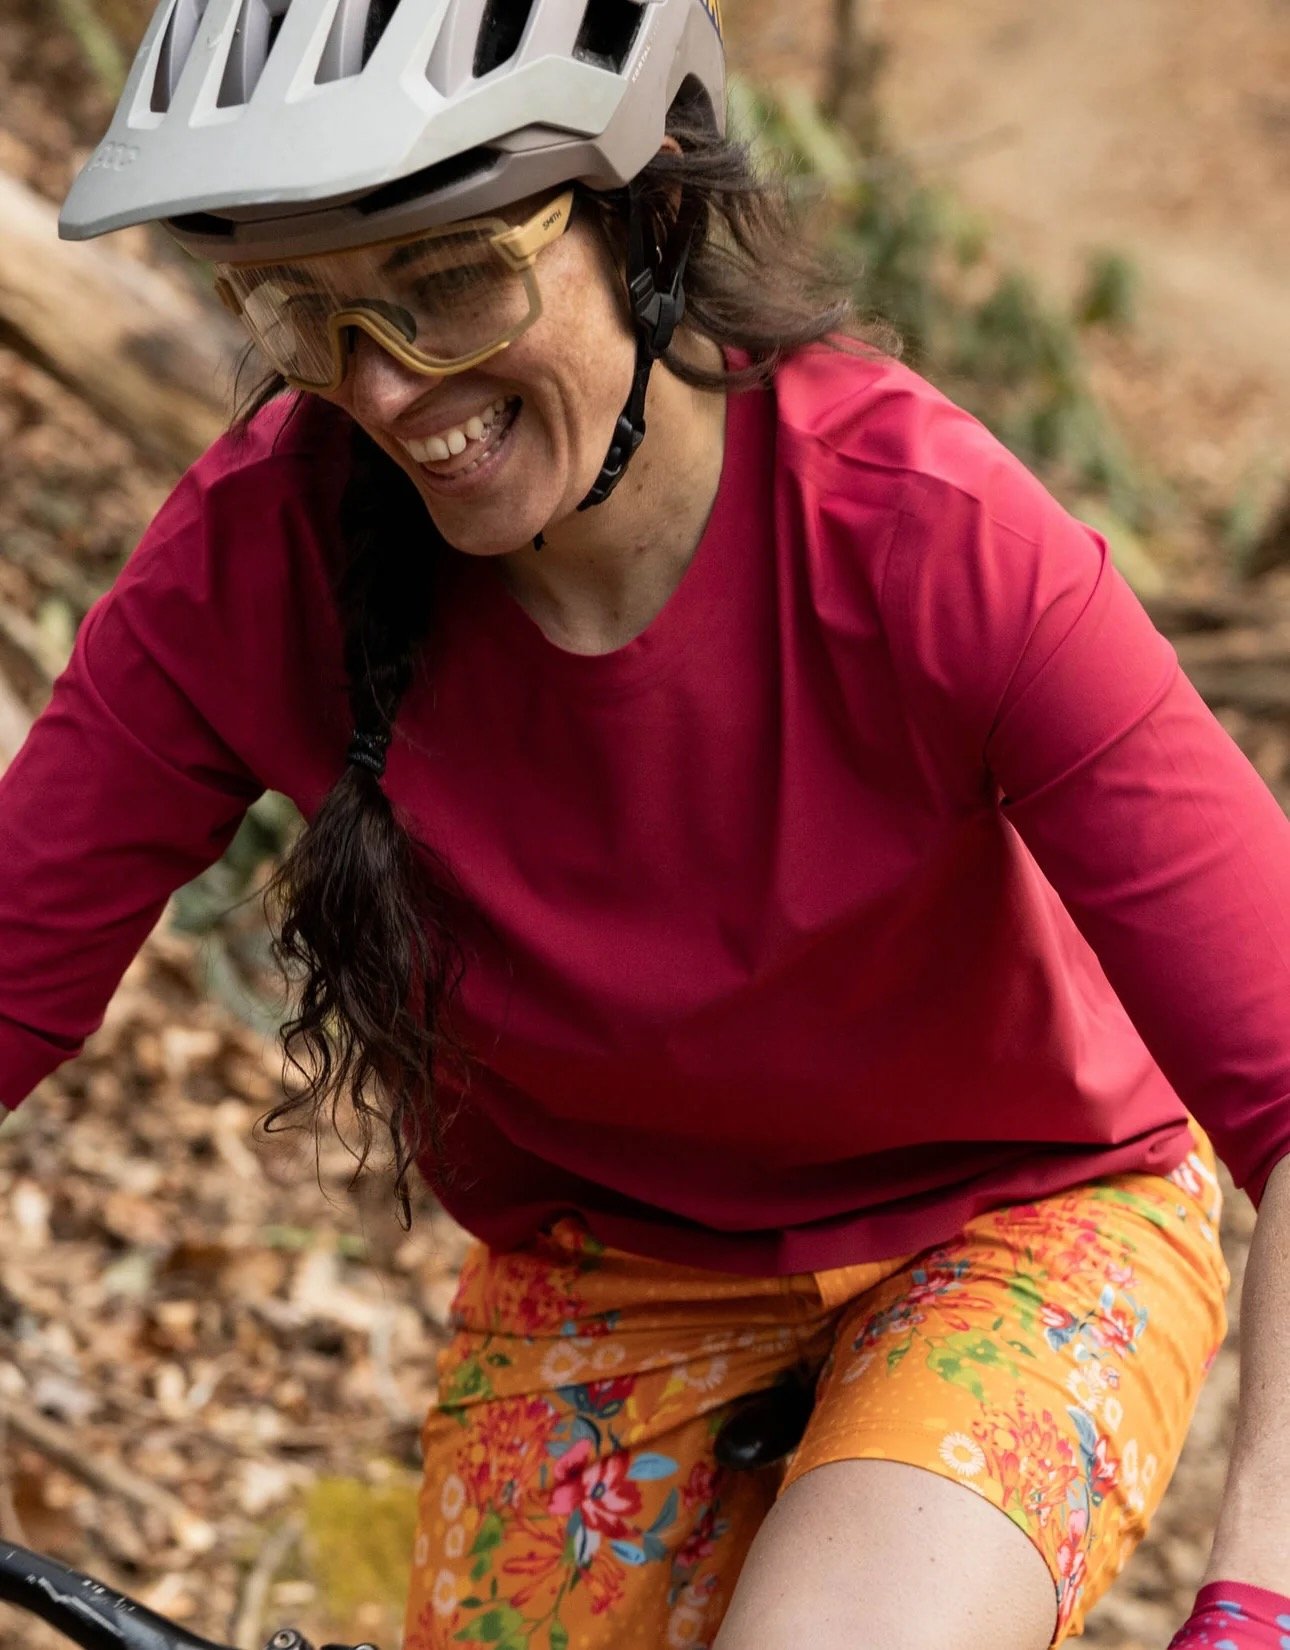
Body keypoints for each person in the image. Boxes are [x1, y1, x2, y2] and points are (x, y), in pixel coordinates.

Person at [3, 1, 1290, 1647]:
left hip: (1015, 1209)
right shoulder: (256, 556)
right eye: (304, 313)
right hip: (604, 1266)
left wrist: (1252, 1600)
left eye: (450, 281)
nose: (388, 390)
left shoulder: (931, 541)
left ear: (649, 218)